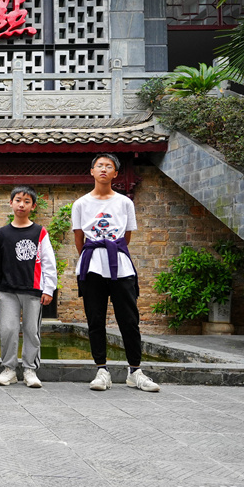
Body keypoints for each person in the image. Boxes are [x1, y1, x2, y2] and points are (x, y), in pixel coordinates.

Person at [72, 153, 160, 393]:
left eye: (108, 166)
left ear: (115, 173)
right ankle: (101, 370)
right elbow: (79, 239)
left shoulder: (124, 203)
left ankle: (135, 371)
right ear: (92, 171)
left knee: (129, 319)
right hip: (92, 266)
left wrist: (110, 250)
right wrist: (95, 255)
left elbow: (126, 237)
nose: (103, 169)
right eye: (99, 165)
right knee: (95, 319)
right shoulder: (81, 204)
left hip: (120, 265)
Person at [0, 186, 57, 388]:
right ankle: (9, 369)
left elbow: (48, 262)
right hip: (7, 290)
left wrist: (49, 289)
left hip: (33, 290)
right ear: (11, 203)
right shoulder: (3, 233)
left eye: (27, 201)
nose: (21, 204)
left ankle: (30, 369)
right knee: (8, 330)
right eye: (18, 200)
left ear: (33, 206)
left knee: (31, 330)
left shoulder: (40, 232)